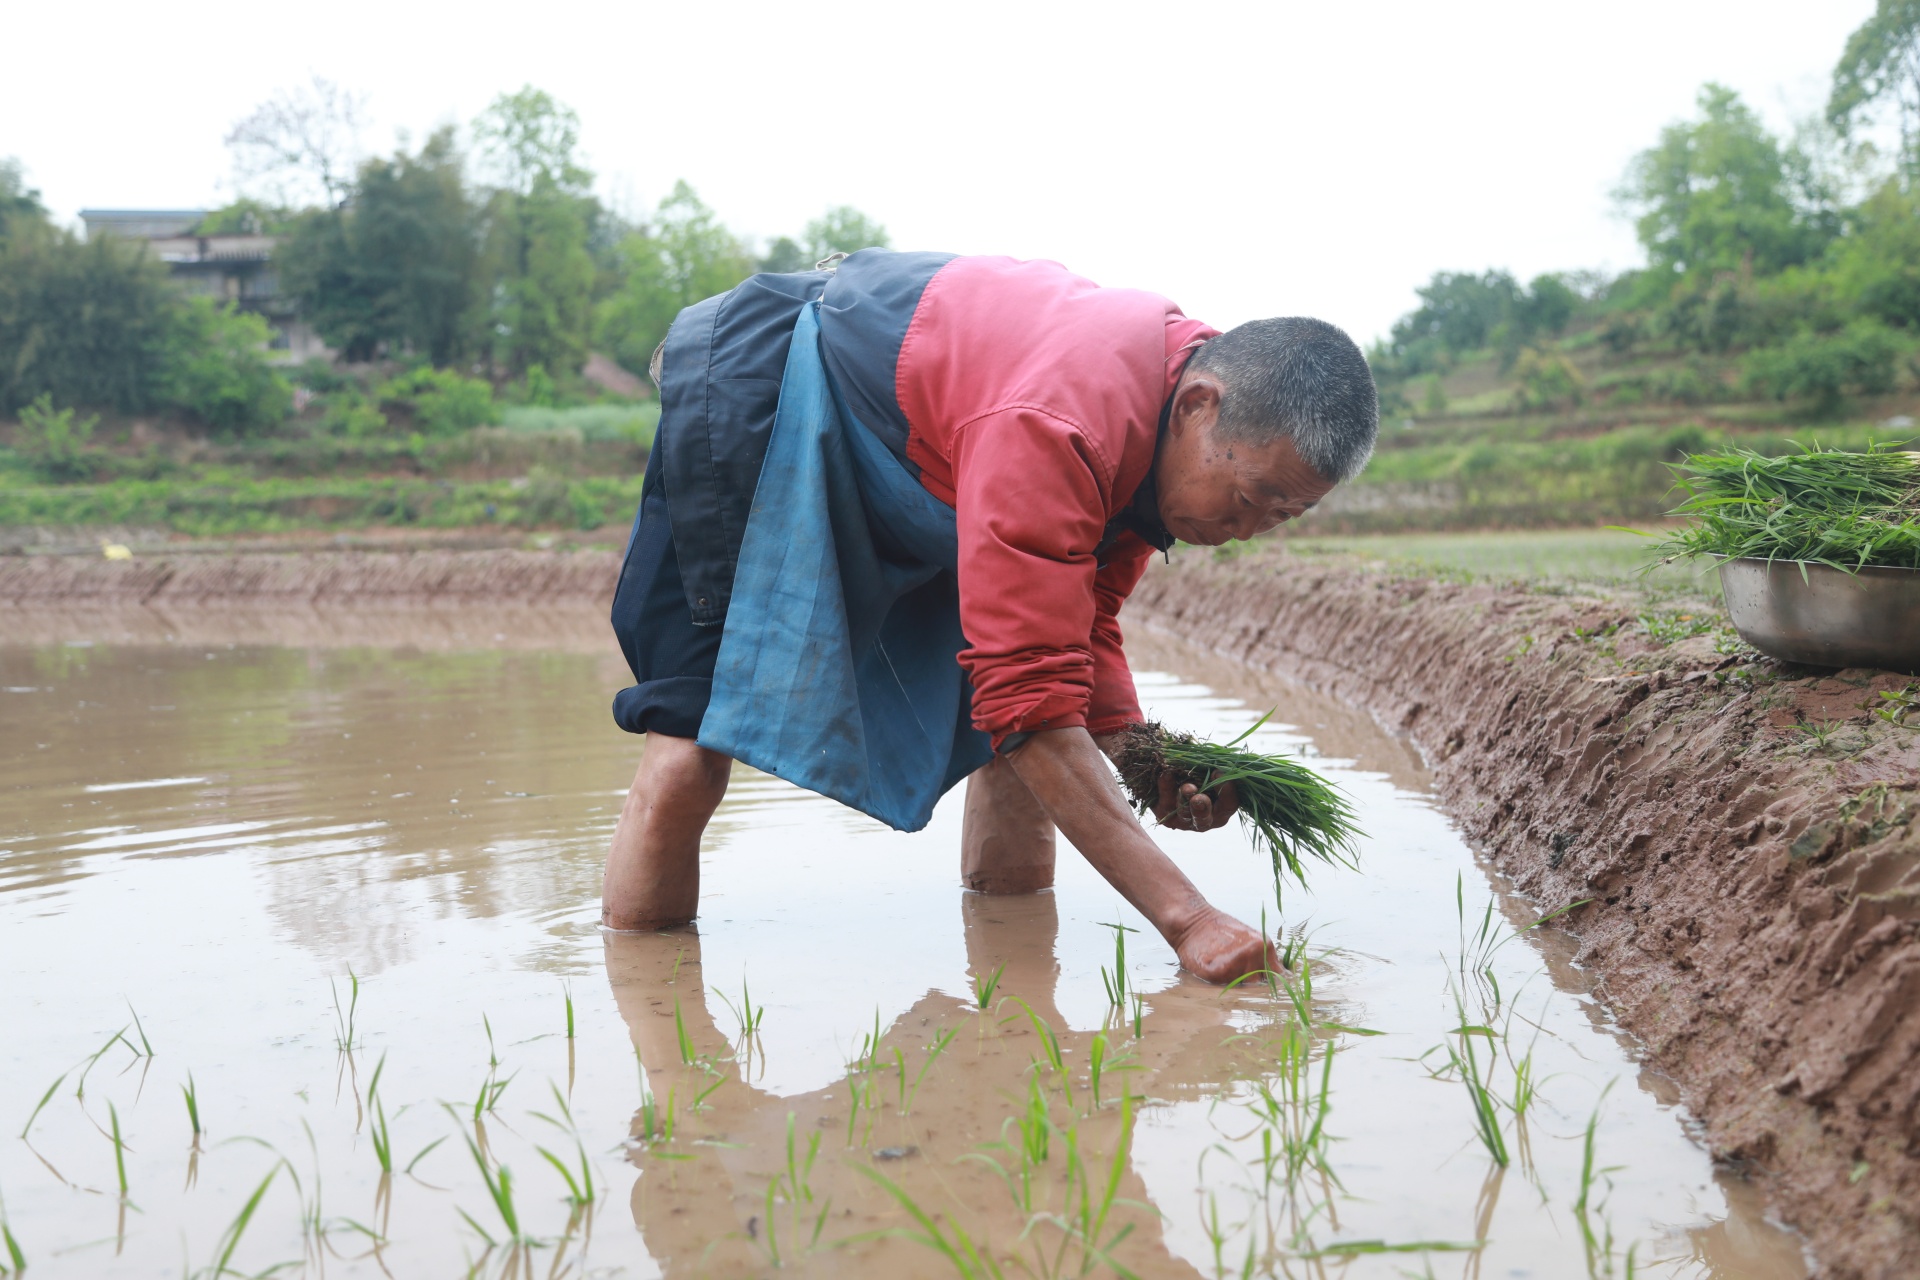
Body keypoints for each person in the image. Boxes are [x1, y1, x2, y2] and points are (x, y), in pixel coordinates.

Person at [602, 250, 1377, 983]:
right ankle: (655, 1020)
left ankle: (1014, 1007)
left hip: (932, 447)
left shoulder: (1159, 440)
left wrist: (1141, 756)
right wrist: (1191, 920)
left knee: (1012, 736)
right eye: (1247, 500)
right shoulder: (1063, 420)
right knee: (688, 738)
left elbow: (1076, 632)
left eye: (1281, 515)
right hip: (761, 393)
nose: (1246, 530)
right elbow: (1034, 704)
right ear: (1200, 406)